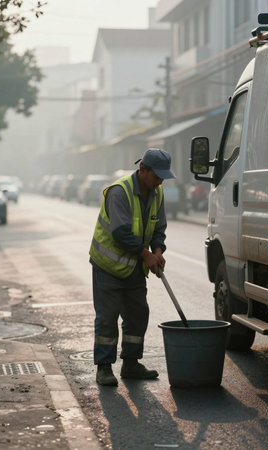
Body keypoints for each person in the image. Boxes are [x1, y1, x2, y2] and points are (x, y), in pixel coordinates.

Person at [89, 148, 176, 386]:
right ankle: (104, 368)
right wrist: (146, 254)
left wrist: (157, 252)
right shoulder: (120, 192)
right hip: (107, 265)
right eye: (156, 175)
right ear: (143, 170)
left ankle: (131, 364)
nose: (160, 181)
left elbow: (158, 229)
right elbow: (120, 233)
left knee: (138, 314)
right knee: (107, 317)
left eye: (163, 177)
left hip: (135, 268)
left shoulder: (157, 194)